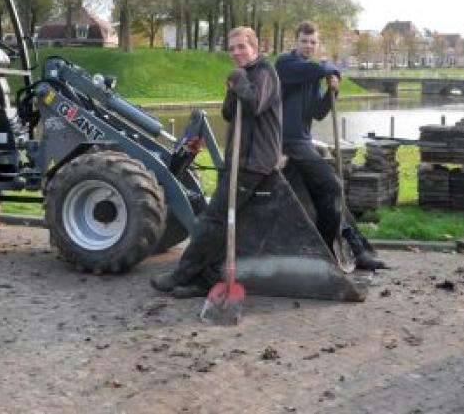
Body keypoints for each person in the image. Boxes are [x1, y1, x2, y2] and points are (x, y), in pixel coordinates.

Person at [150, 26, 283, 298]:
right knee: (223, 224)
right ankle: (205, 281)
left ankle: (181, 274)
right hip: (238, 159)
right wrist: (234, 86)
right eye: (232, 48)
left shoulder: (266, 73)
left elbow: (255, 104)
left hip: (253, 162)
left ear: (254, 48)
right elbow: (228, 113)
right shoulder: (245, 75)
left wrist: (238, 79)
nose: (235, 52)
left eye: (241, 47)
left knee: (213, 221)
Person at [274, 21, 386, 270]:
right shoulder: (285, 64)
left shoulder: (313, 74)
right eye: (304, 41)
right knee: (333, 185)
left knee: (327, 191)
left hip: (303, 141)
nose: (309, 46)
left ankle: (352, 247)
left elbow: (318, 112)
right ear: (295, 42)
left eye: (313, 42)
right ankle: (329, 245)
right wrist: (332, 69)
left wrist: (332, 92)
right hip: (287, 141)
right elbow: (323, 67)